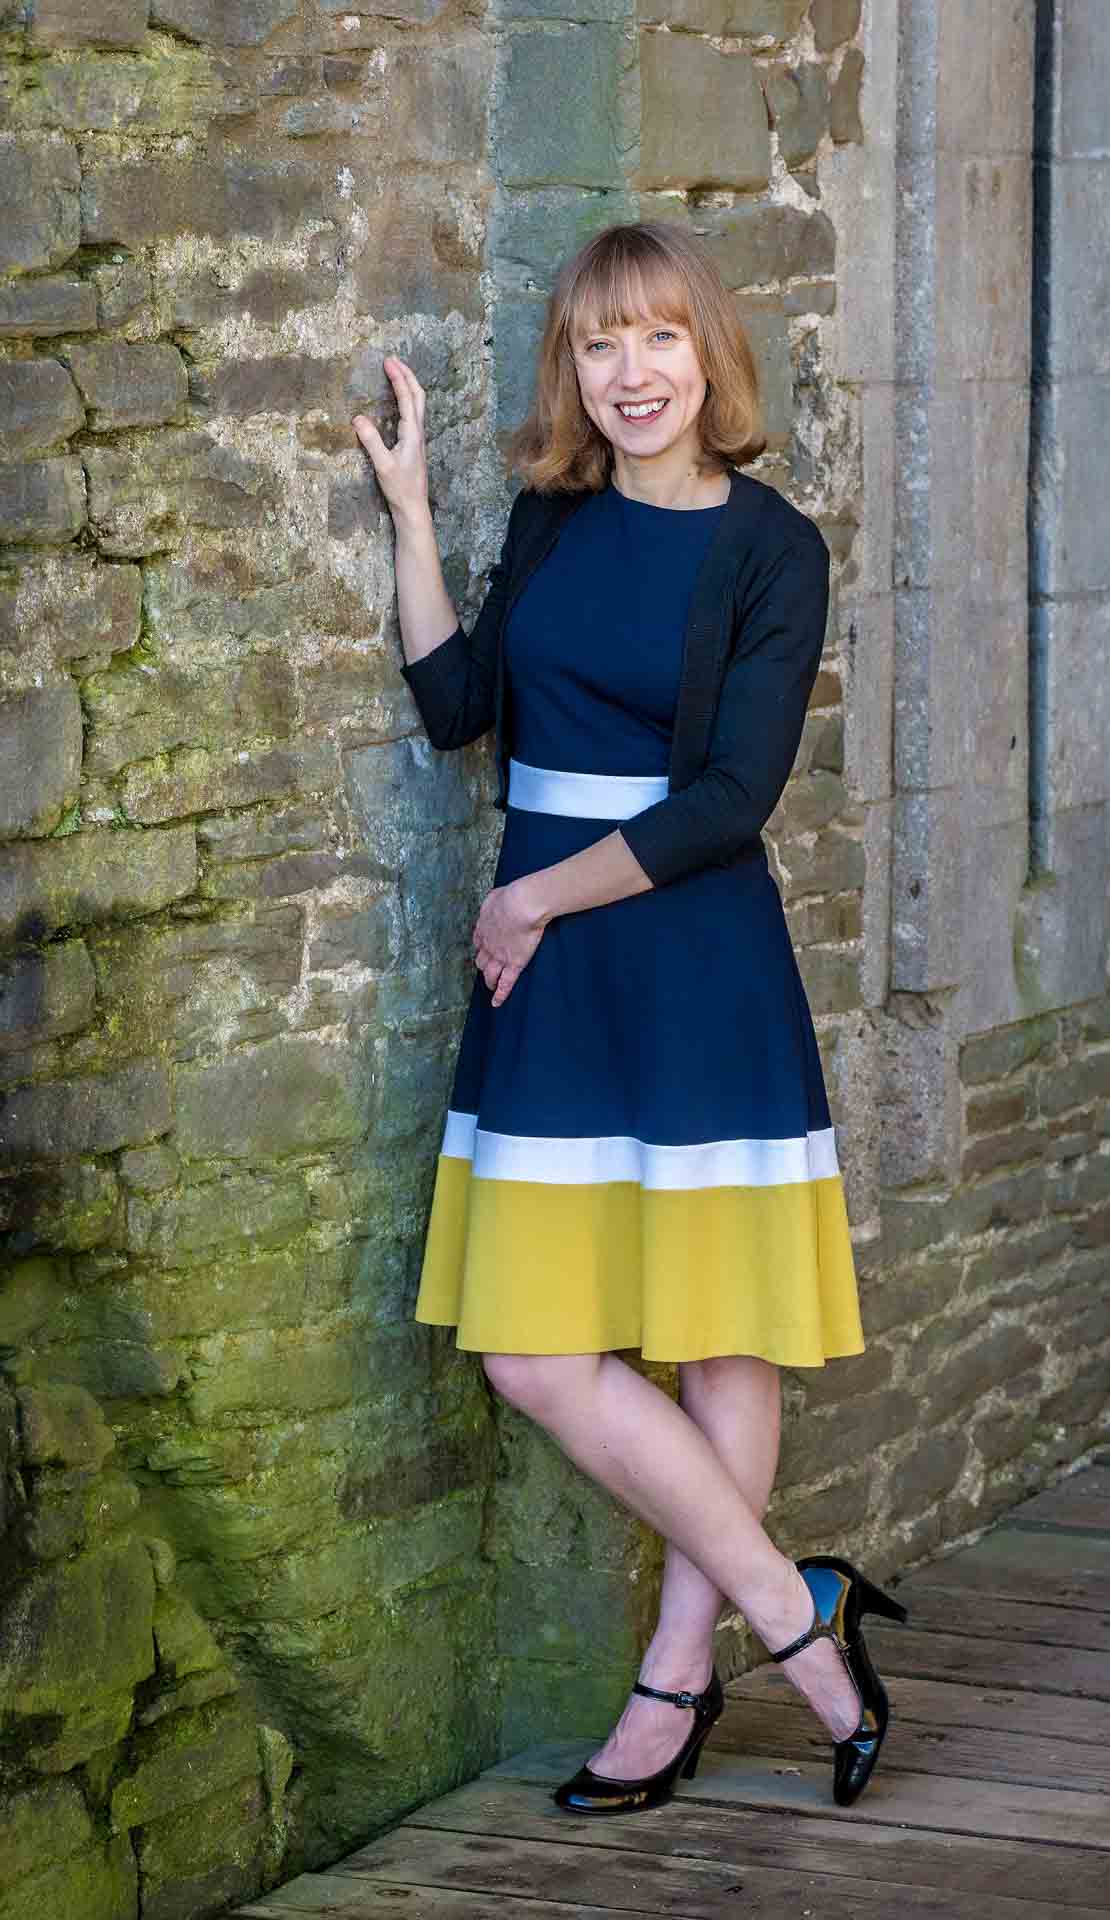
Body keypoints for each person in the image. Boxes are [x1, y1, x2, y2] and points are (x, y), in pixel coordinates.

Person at [352, 221, 907, 1816]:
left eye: (659, 339)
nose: (632, 373)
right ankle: (802, 1614)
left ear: (706, 354)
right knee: (535, 1349)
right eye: (601, 346)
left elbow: (733, 798)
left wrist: (528, 898)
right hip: (560, 980)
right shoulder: (548, 517)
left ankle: (675, 1681)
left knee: (718, 1329)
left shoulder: (769, 546)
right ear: (573, 372)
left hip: (686, 955)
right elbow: (465, 713)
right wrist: (410, 523)